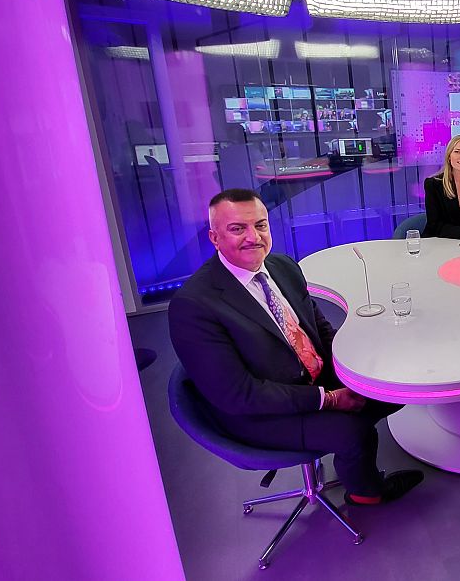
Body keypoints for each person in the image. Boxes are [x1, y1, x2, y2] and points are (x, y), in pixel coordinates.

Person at [168, 189, 423, 504]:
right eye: (237, 229)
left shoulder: (283, 266)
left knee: (388, 392)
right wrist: (328, 400)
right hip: (258, 413)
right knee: (354, 433)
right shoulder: (194, 305)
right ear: (214, 237)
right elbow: (239, 396)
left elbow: (319, 329)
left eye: (260, 225)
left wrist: (351, 375)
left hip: (305, 376)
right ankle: (366, 493)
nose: (253, 237)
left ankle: (349, 459)